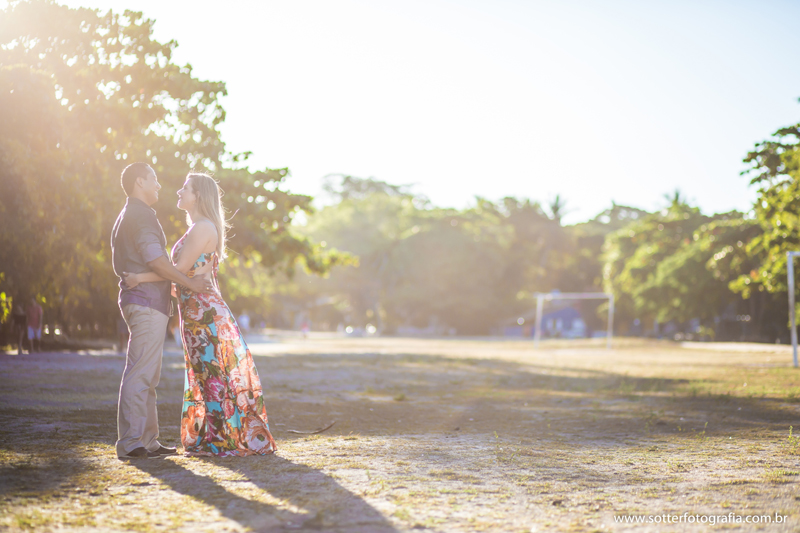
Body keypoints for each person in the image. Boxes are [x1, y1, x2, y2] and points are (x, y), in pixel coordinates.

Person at [125, 172, 277, 457]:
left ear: (198, 196)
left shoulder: (203, 227)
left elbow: (178, 271)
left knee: (211, 376)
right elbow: (182, 278)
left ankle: (222, 440)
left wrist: (139, 278)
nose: (179, 192)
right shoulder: (197, 228)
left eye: (186, 188)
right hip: (195, 313)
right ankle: (214, 437)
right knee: (205, 375)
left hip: (204, 314)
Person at [111, 162, 213, 460]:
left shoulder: (132, 213)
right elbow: (157, 261)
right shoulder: (141, 215)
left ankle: (148, 440)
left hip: (146, 301)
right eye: (153, 179)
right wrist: (190, 283)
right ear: (140, 182)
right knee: (140, 373)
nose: (159, 185)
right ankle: (131, 442)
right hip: (145, 302)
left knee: (148, 375)